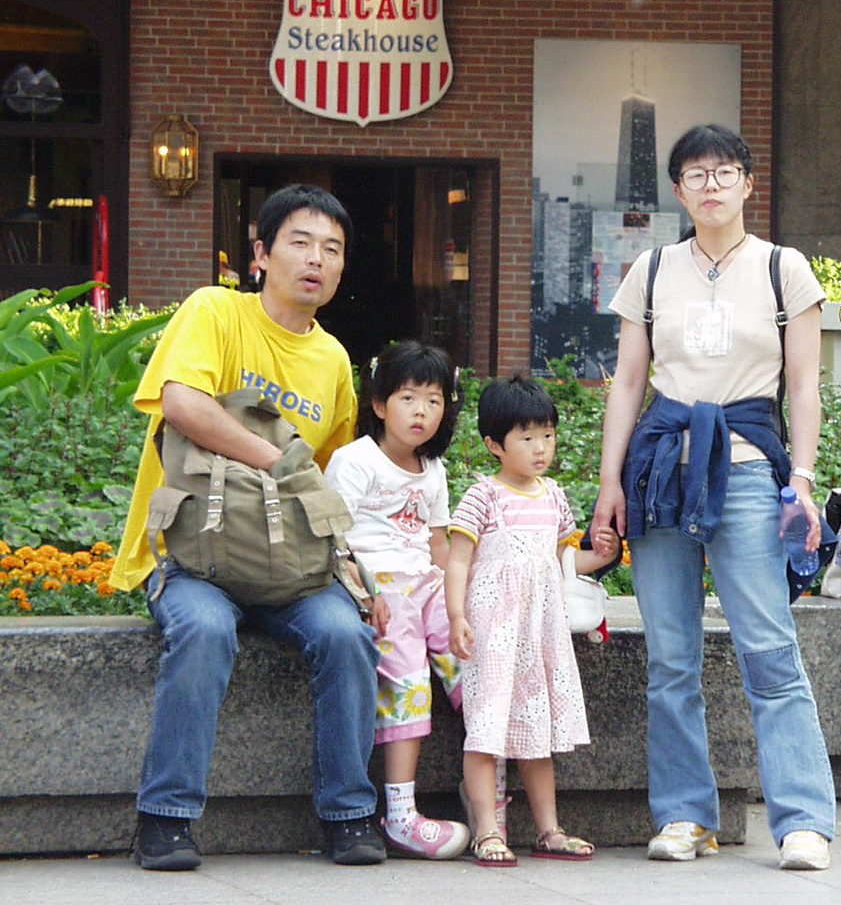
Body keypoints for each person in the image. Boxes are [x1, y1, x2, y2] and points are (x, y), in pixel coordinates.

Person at [111, 185, 384, 870]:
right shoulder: (215, 311)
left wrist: (351, 569)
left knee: (347, 636)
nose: (316, 259)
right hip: (194, 560)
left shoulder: (332, 364)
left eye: (332, 249)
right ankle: (165, 819)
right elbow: (180, 402)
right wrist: (277, 458)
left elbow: (328, 485)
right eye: (299, 241)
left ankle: (349, 815)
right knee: (203, 630)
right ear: (260, 254)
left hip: (289, 570)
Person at [593, 124, 837, 871]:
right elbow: (629, 383)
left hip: (744, 469)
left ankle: (802, 821)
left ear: (747, 183)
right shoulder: (653, 268)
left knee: (769, 649)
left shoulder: (782, 269)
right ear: (676, 190)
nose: (709, 185)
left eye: (723, 171)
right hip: (663, 471)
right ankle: (682, 815)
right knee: (670, 657)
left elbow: (802, 387)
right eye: (694, 174)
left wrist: (800, 476)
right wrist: (608, 484)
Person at [445, 375, 616, 866]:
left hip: (540, 634)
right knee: (485, 729)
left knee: (536, 732)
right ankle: (487, 831)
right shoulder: (483, 497)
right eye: (527, 437)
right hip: (494, 631)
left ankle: (549, 829)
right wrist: (457, 615)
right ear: (494, 445)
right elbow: (458, 560)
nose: (541, 448)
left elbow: (563, 563)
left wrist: (598, 556)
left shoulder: (554, 496)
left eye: (547, 435)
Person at [324, 341, 469, 860]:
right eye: (409, 398)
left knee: (471, 663)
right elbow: (332, 539)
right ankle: (401, 815)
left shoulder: (433, 469)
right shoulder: (354, 461)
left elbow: (438, 545)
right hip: (379, 588)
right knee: (408, 680)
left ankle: (487, 798)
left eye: (434, 401)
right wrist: (365, 593)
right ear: (381, 404)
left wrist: (462, 605)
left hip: (425, 584)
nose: (422, 412)